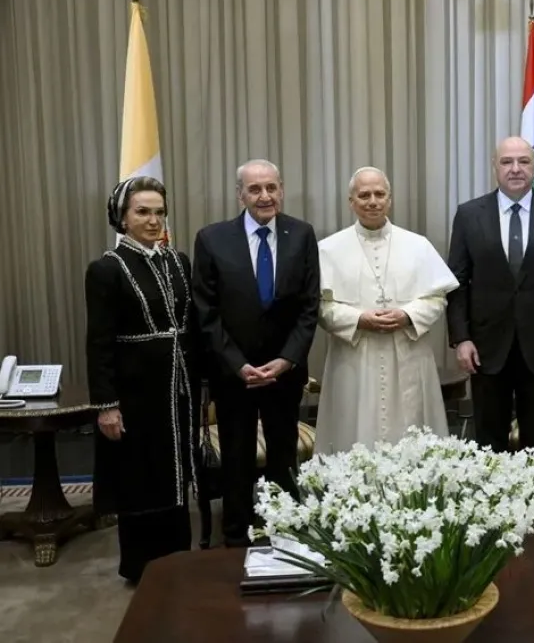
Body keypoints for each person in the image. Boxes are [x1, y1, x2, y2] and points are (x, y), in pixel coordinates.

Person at [192, 159, 319, 547]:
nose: (264, 196)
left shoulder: (302, 234)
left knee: (283, 458)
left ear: (281, 189)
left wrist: (286, 360)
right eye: (255, 189)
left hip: (285, 371)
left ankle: (285, 532)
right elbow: (205, 312)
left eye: (271, 187)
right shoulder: (212, 239)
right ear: (240, 195)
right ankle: (236, 537)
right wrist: (238, 364)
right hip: (234, 375)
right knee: (237, 458)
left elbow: (309, 307)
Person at [85, 176, 198, 583]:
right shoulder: (106, 270)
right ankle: (142, 567)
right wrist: (106, 405)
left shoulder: (176, 262)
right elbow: (98, 343)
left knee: (175, 474)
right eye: (142, 212)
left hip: (177, 388)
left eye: (159, 212)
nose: (153, 221)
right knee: (141, 476)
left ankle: (178, 560)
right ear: (122, 217)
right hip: (134, 394)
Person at [446, 136, 534, 468]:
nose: (516, 169)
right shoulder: (468, 215)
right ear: (495, 167)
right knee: (488, 441)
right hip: (486, 347)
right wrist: (461, 338)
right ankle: (493, 514)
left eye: (523, 161)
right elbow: (456, 284)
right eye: (507, 162)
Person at [314, 167, 458, 452]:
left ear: (389, 199)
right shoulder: (328, 249)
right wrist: (358, 319)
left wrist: (407, 315)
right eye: (364, 195)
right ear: (351, 201)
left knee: (411, 430)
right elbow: (319, 306)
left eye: (379, 194)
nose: (372, 201)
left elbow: (437, 297)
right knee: (353, 433)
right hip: (354, 358)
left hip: (408, 353)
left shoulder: (418, 246)